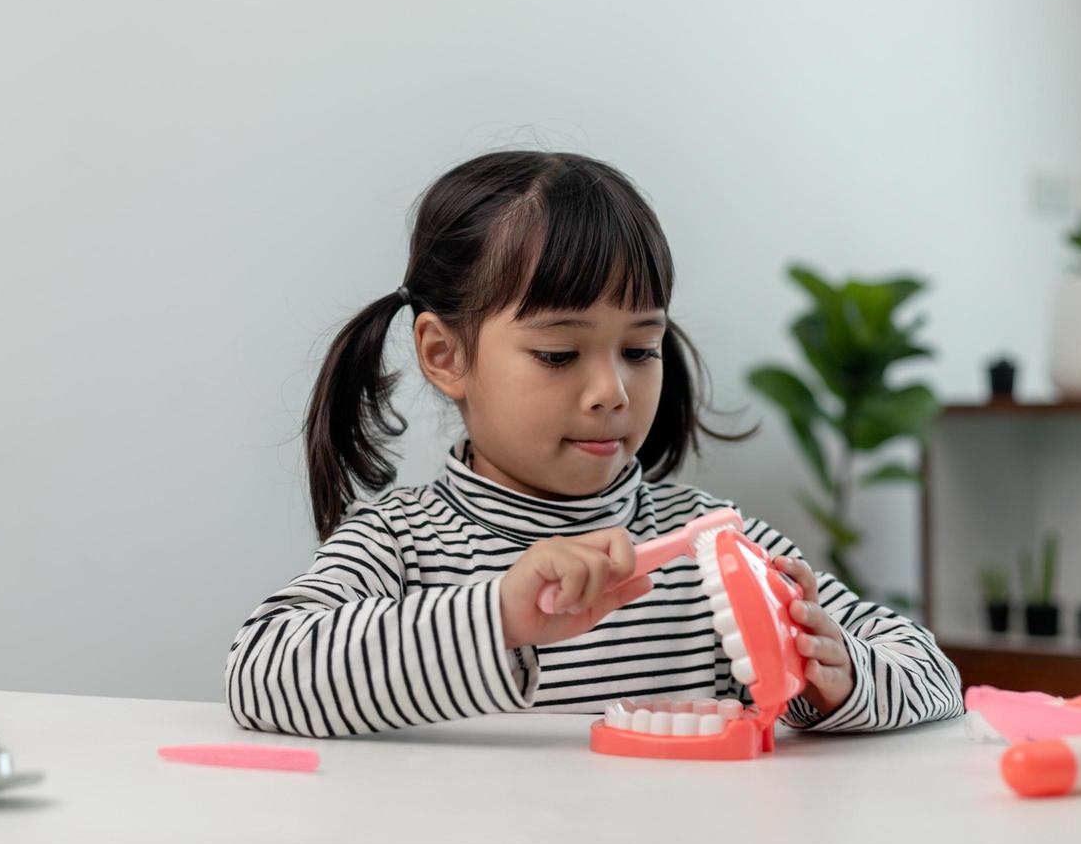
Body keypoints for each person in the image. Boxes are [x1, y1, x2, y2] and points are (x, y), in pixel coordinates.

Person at [225, 150, 963, 737]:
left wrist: (840, 677)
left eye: (641, 350)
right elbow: (259, 673)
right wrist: (499, 616)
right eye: (558, 354)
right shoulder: (401, 543)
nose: (611, 389)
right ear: (445, 355)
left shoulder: (714, 545)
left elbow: (933, 670)